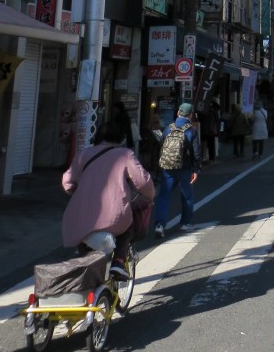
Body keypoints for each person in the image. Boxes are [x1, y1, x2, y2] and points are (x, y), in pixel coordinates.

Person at [62, 120, 154, 265]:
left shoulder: (83, 154)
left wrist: (80, 192)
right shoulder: (125, 154)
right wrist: (149, 196)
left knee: (85, 253)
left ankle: (87, 276)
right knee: (128, 227)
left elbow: (67, 182)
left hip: (80, 217)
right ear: (120, 138)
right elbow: (143, 181)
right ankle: (118, 262)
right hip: (114, 218)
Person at [153, 102, 200, 239]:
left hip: (166, 166)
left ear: (178, 113)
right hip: (184, 167)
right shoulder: (191, 130)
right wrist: (196, 169)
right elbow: (196, 153)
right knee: (187, 195)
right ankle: (185, 222)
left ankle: (159, 225)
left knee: (164, 195)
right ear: (190, 115)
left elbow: (161, 146)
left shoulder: (168, 128)